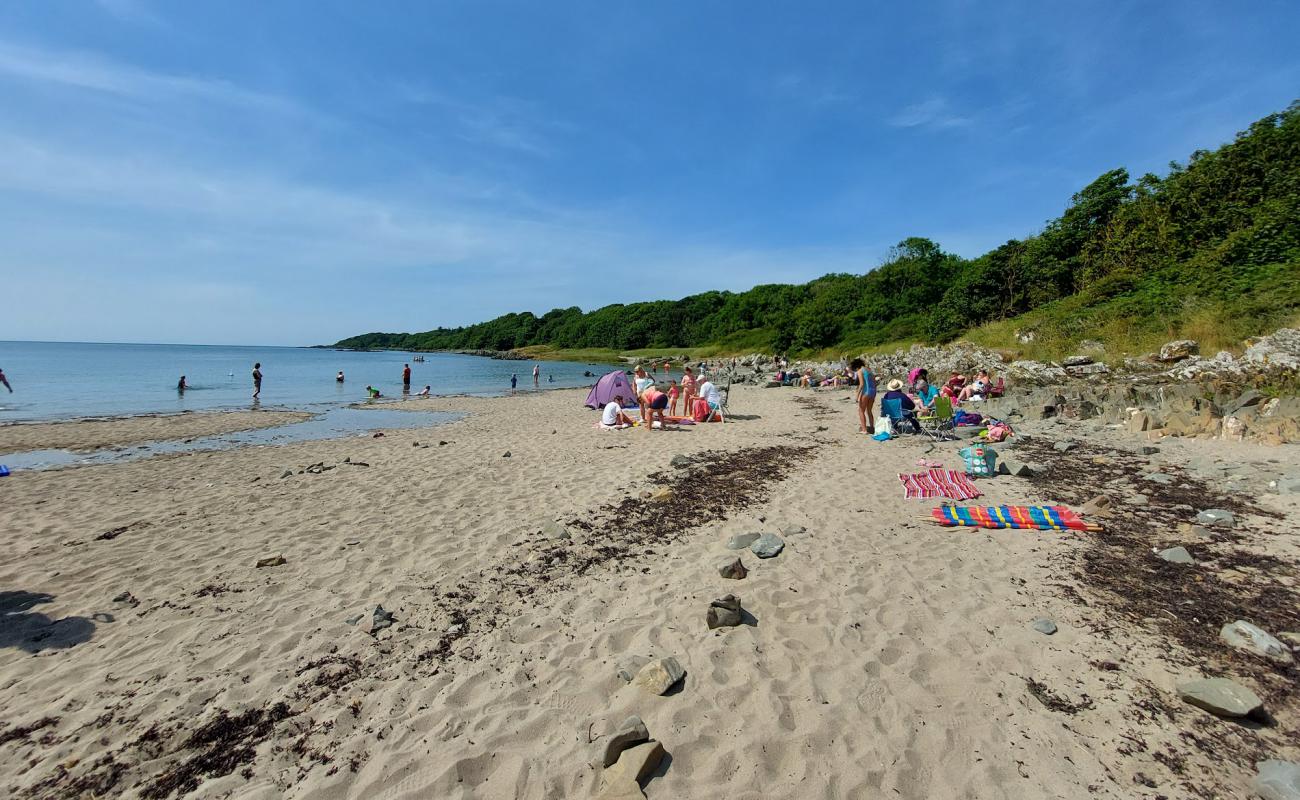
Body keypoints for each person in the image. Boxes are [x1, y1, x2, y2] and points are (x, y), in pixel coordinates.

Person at [851, 358, 876, 434]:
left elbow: (861, 384)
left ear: (856, 366)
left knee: (861, 410)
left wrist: (857, 396)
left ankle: (864, 430)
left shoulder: (860, 371)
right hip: (873, 391)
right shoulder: (869, 370)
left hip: (866, 392)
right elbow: (874, 382)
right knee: (869, 411)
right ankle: (872, 428)